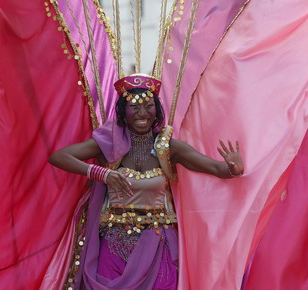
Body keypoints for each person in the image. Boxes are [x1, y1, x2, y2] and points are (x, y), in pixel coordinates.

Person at [49, 74, 244, 289]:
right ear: (123, 112)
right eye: (134, 107)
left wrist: (233, 168)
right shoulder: (108, 143)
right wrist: (102, 173)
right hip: (114, 243)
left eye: (148, 106)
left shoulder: (168, 147)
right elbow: (59, 157)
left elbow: (216, 168)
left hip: (157, 243)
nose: (142, 113)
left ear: (157, 110)